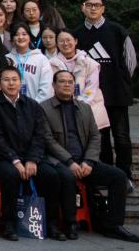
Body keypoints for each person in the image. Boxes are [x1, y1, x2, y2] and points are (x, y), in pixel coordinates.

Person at [41, 70, 139, 243]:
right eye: (62, 81)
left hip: (85, 162)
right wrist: (69, 162)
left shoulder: (84, 108)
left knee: (118, 176)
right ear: (54, 85)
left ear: (74, 86)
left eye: (70, 82)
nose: (66, 85)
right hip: (60, 162)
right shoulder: (44, 108)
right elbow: (48, 140)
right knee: (67, 176)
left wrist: (89, 161)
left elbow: (95, 137)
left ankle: (113, 225)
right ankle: (71, 223)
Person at [0, 66, 61, 240]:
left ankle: (51, 223)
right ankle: (8, 224)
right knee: (11, 175)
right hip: (3, 157)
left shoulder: (32, 104)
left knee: (51, 175)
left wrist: (32, 159)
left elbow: (39, 135)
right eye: (6, 80)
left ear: (21, 82)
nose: (11, 83)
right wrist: (15, 160)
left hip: (30, 157)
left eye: (14, 79)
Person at [74, 0, 135, 184]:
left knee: (121, 136)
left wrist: (122, 80)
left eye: (97, 5)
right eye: (89, 5)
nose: (93, 8)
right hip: (91, 96)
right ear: (83, 7)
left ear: (103, 8)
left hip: (116, 92)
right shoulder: (76, 34)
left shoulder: (117, 31)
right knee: (101, 137)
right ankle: (109, 175)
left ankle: (125, 175)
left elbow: (131, 61)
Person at [49, 28, 108, 130]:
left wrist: (77, 107)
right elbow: (51, 88)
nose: (65, 43)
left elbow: (91, 89)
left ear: (75, 41)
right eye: (61, 41)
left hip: (90, 110)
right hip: (61, 112)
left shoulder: (89, 63)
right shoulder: (51, 64)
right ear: (57, 44)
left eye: (68, 40)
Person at [6, 22, 53, 102]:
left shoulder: (41, 59)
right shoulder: (6, 59)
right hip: (10, 106)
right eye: (16, 35)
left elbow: (46, 88)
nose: (21, 37)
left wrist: (33, 106)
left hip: (36, 106)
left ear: (29, 37)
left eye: (24, 34)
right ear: (12, 38)